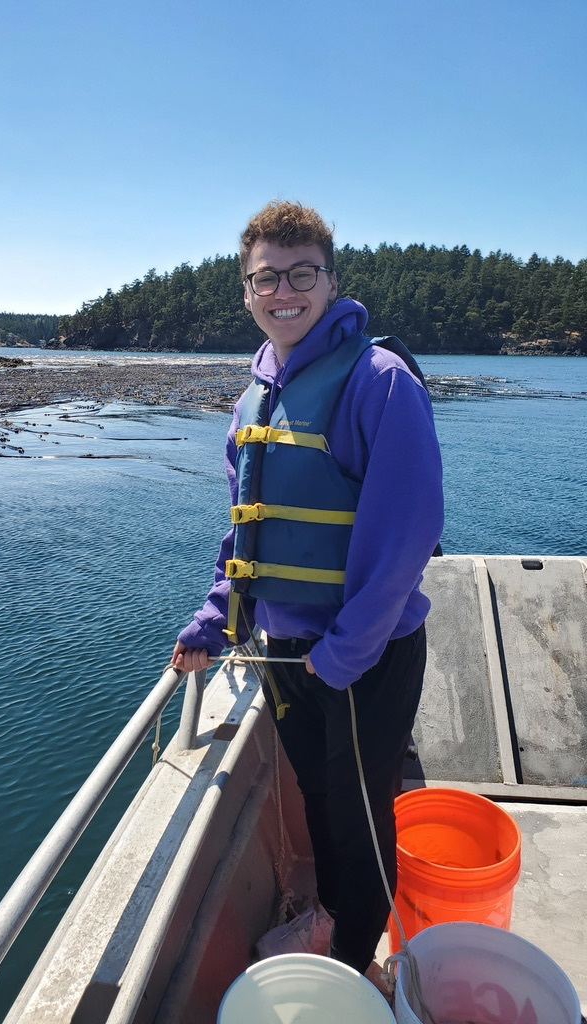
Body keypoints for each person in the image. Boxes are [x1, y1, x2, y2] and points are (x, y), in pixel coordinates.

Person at [171, 200, 444, 978]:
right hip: (287, 652)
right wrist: (213, 619)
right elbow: (245, 533)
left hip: (363, 655)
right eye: (266, 277)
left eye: (301, 274)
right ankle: (331, 916)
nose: (282, 291)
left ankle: (356, 965)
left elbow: (409, 530)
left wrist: (346, 651)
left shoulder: (379, 380)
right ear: (245, 289)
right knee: (321, 799)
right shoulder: (252, 396)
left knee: (360, 817)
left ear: (329, 282)